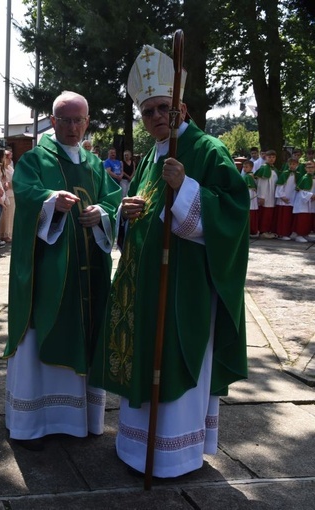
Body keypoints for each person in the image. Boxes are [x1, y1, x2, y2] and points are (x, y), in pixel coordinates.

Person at [90, 44, 249, 478]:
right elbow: (142, 213)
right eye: (149, 112)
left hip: (186, 286)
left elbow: (234, 211)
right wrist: (126, 213)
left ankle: (174, 455)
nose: (157, 117)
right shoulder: (148, 157)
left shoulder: (208, 149)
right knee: (143, 358)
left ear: (181, 108)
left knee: (176, 360)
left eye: (164, 108)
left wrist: (188, 189)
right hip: (144, 286)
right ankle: (136, 446)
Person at [4, 91, 121, 450]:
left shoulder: (92, 163)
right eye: (66, 120)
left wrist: (100, 213)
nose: (73, 127)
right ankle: (36, 419)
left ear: (88, 122)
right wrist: (52, 203)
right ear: (52, 122)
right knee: (43, 335)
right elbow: (25, 196)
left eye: (79, 120)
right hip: (49, 276)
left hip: (89, 274)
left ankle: (80, 419)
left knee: (86, 332)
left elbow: (112, 199)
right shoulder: (35, 159)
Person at [273, 157, 298, 240]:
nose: (292, 166)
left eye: (294, 164)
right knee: (283, 217)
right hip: (283, 199)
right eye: (290, 164)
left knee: (289, 217)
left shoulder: (297, 174)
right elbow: (280, 185)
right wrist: (282, 196)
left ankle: (288, 233)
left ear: (297, 165)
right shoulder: (284, 174)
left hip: (292, 198)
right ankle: (281, 233)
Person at [255, 150, 278, 238]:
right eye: (269, 157)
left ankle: (268, 230)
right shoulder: (264, 168)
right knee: (265, 213)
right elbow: (261, 184)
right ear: (265, 157)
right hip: (266, 195)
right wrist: (261, 196)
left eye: (273, 157)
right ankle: (262, 231)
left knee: (270, 213)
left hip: (272, 194)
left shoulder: (274, 169)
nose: (271, 159)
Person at [291, 160, 315, 242]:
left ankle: (305, 234)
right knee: (302, 218)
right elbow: (301, 191)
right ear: (305, 168)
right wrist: (311, 195)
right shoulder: (305, 178)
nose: (310, 169)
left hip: (311, 202)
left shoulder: (313, 178)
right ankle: (299, 235)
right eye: (308, 167)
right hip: (303, 202)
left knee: (308, 218)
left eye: (312, 167)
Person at [0, 150, 15, 242]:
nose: (10, 159)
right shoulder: (1, 168)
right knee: (5, 215)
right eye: (8, 157)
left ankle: (9, 233)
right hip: (6, 194)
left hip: (12, 193)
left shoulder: (10, 168)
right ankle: (4, 234)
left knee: (10, 215)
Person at [241, 159, 260, 238]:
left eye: (246, 167)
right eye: (244, 167)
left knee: (250, 214)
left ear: (251, 168)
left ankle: (250, 231)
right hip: (252, 196)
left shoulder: (248, 176)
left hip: (250, 196)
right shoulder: (249, 176)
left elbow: (249, 188)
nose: (244, 169)